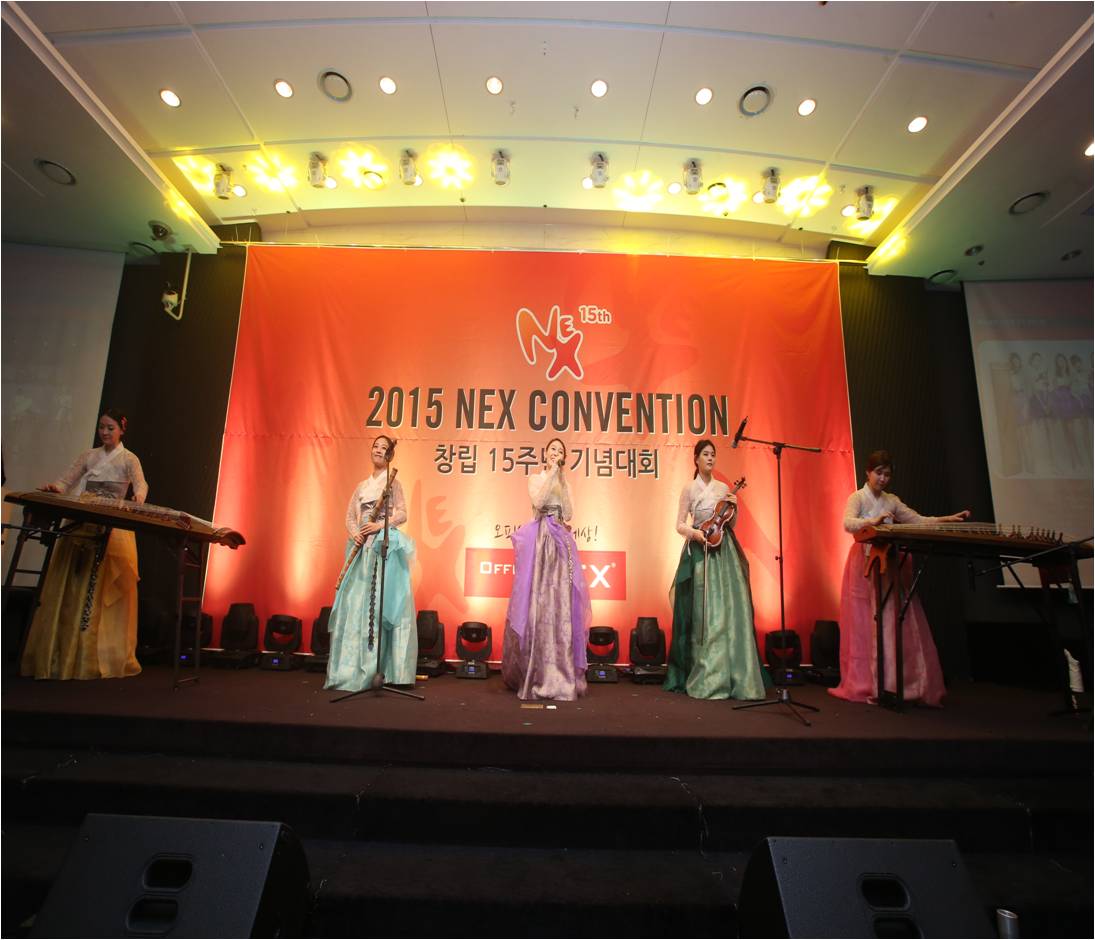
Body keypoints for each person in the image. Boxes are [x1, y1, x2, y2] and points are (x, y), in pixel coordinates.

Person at [829, 450, 970, 707]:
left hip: (890, 561)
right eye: (878, 473)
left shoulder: (892, 500)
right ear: (868, 472)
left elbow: (917, 520)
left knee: (892, 618)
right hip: (864, 562)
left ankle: (895, 682)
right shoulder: (857, 497)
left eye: (887, 475)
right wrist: (874, 521)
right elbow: (848, 523)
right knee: (865, 619)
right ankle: (868, 681)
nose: (883, 479)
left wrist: (947, 519)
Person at [20, 409, 147, 680]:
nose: (105, 432)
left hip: (112, 522)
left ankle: (98, 654)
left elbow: (141, 484)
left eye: (110, 428)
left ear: (121, 429)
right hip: (82, 520)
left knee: (102, 585)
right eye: (102, 427)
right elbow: (66, 481)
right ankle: (63, 651)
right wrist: (55, 488)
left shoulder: (129, 458)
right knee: (73, 581)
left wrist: (138, 497)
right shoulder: (89, 455)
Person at [664, 439, 767, 700]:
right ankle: (707, 672)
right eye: (706, 454)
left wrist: (735, 506)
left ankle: (736, 675)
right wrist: (696, 534)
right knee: (705, 612)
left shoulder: (723, 488)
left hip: (725, 549)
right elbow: (679, 524)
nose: (710, 458)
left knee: (732, 609)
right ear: (696, 459)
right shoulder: (689, 488)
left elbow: (731, 523)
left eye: (713, 454)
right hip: (701, 549)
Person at [324, 435, 417, 692]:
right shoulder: (361, 486)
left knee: (382, 605)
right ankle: (351, 670)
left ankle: (387, 669)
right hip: (361, 547)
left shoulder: (393, 483)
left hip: (383, 545)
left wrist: (380, 526)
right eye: (375, 446)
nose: (378, 450)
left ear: (390, 455)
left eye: (383, 448)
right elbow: (350, 516)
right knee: (356, 604)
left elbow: (402, 513)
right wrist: (355, 532)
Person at [501, 438, 590, 701]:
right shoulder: (536, 478)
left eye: (560, 451)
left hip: (561, 541)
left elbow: (569, 513)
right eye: (553, 450)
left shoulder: (565, 484)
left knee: (561, 602)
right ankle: (535, 670)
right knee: (537, 601)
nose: (556, 454)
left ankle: (562, 670)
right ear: (545, 454)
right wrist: (552, 473)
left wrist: (561, 480)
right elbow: (539, 503)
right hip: (541, 541)